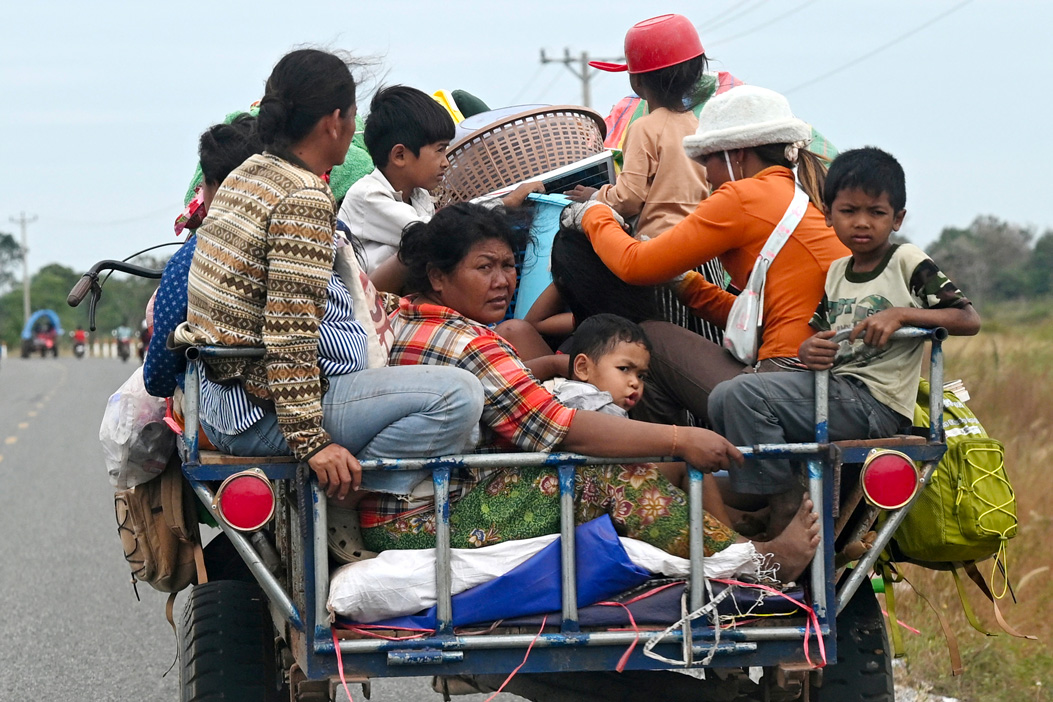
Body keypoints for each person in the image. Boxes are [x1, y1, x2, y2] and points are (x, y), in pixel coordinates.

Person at [360, 202, 821, 583]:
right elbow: (562, 428)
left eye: (508, 265)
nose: (503, 280)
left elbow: (373, 282)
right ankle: (755, 566)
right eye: (485, 267)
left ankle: (732, 544)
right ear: (437, 276)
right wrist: (680, 439)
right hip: (425, 523)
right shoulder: (471, 342)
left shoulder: (397, 313)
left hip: (414, 510)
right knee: (606, 474)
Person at [177, 49, 485, 507]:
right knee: (460, 395)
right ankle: (356, 503)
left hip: (225, 403)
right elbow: (290, 333)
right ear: (334, 121)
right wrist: (314, 443)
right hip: (263, 415)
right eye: (353, 114)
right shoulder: (302, 195)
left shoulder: (247, 174)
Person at [708, 147, 981, 535]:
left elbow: (967, 318)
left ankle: (784, 509)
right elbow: (818, 335)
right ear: (829, 215)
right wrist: (808, 350)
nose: (862, 223)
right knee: (724, 395)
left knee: (742, 395)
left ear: (897, 218)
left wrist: (902, 314)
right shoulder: (837, 271)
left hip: (877, 403)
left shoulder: (906, 261)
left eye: (876, 212)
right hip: (835, 392)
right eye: (849, 211)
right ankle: (777, 498)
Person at [568, 85, 850, 427]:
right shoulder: (803, 194)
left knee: (651, 339)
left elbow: (634, 265)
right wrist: (687, 285)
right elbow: (763, 319)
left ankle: (668, 467)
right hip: (824, 381)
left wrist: (593, 214)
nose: (704, 173)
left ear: (737, 155)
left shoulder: (743, 196)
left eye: (707, 159)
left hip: (789, 380)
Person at [339, 85, 541, 276]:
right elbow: (436, 233)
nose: (446, 162)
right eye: (439, 150)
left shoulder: (419, 195)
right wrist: (505, 203)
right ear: (400, 155)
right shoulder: (368, 195)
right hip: (369, 301)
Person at [144, 114, 263, 398]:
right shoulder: (314, 231)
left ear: (216, 186)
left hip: (230, 413)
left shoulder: (189, 261)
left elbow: (158, 378)